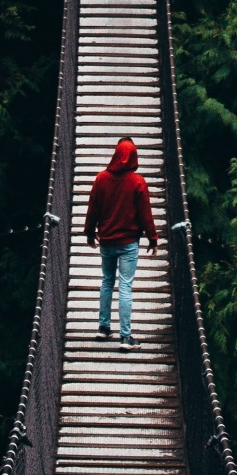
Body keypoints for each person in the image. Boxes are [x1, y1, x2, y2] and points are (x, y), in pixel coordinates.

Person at [84, 134, 158, 348]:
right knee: (125, 286)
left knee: (107, 281)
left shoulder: (101, 179)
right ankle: (125, 337)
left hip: (107, 241)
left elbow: (93, 210)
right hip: (128, 244)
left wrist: (90, 233)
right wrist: (152, 239)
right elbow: (146, 214)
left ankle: (103, 327)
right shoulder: (137, 182)